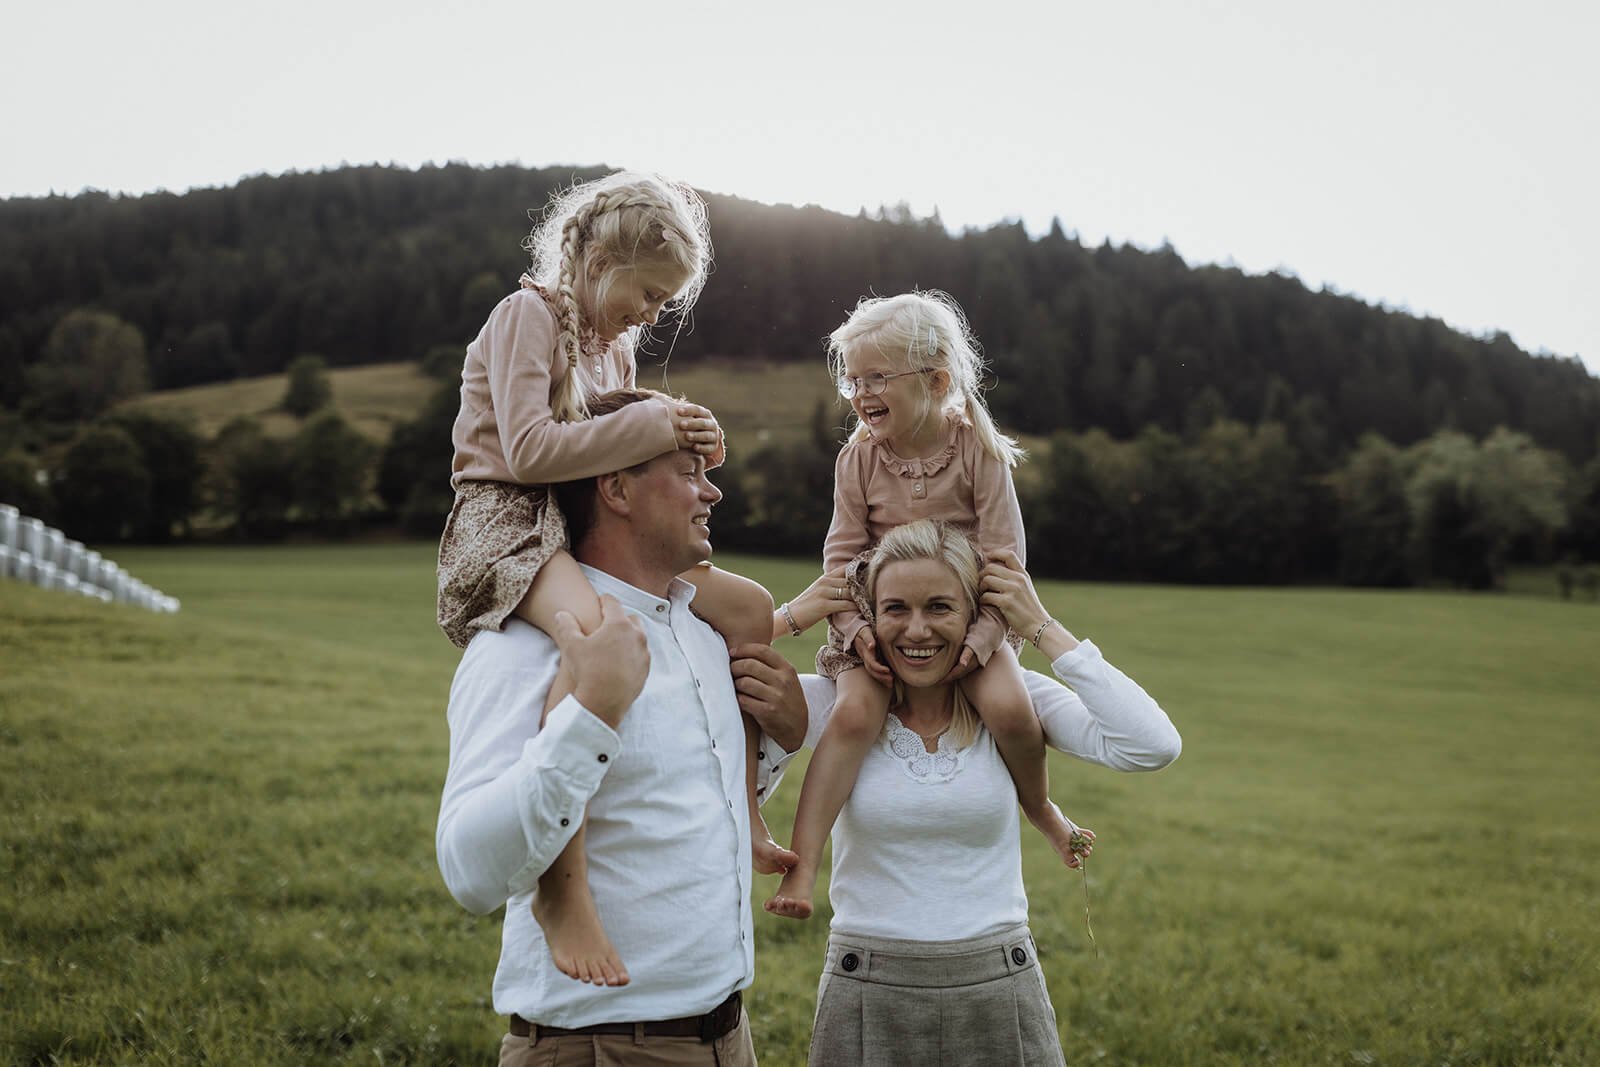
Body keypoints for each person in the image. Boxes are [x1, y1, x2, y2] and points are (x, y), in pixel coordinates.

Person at [436, 172, 779, 987]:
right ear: (598, 259)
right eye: (650, 291)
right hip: (510, 523)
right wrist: (649, 423)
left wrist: (684, 431)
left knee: (750, 607)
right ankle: (563, 889)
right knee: (594, 636)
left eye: (668, 302)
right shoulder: (530, 316)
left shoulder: (614, 347)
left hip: (573, 516)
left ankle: (747, 808)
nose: (654, 313)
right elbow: (526, 451)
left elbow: (621, 437)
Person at [435, 388, 810, 1067]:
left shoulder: (699, 630)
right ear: (615, 487)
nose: (712, 493)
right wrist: (589, 714)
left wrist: (781, 737)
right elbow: (468, 871)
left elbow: (676, 806)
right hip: (596, 1047)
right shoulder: (525, 645)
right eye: (689, 472)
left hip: (728, 1037)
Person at [749, 520, 1182, 1066]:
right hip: (867, 986)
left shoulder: (1018, 703)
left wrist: (1042, 626)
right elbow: (703, 688)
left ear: (974, 616)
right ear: (868, 619)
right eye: (895, 609)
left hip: (999, 983)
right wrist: (792, 616)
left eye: (939, 608)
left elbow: (1152, 745)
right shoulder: (838, 707)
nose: (917, 631)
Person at [767, 290, 1089, 920]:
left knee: (1011, 711)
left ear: (937, 379)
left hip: (965, 625)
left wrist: (980, 642)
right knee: (854, 716)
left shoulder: (978, 452)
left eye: (878, 377)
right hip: (875, 622)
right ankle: (801, 870)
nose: (861, 393)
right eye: (852, 379)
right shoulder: (858, 456)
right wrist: (856, 632)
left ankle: (1041, 809)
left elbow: (1005, 564)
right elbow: (840, 560)